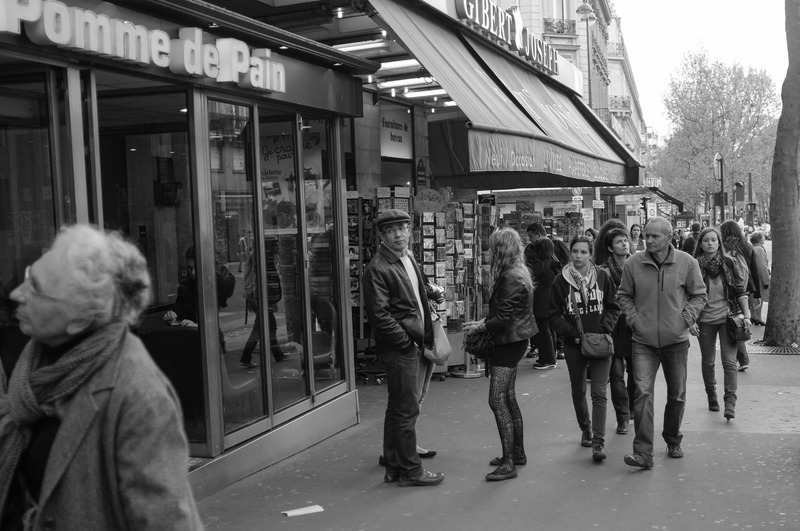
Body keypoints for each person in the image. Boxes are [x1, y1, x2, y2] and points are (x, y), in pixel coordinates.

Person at [0, 224, 202, 529]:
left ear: (78, 317)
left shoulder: (138, 394)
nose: (16, 293)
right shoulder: (38, 360)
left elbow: (166, 520)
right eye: (28, 276)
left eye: (36, 287)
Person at [617, 217, 707, 468]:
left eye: (655, 236)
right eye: (647, 235)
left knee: (677, 394)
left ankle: (672, 439)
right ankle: (643, 452)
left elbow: (699, 295)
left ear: (669, 237)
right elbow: (624, 296)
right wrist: (634, 320)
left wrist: (686, 319)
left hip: (675, 340)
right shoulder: (633, 263)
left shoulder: (687, 263)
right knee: (643, 394)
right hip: (643, 341)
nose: (649, 239)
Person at [363, 209, 444, 487]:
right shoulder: (378, 267)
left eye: (402, 228)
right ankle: (411, 471)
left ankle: (394, 462)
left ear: (410, 230)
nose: (399, 234)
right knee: (406, 409)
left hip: (416, 341)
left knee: (398, 407)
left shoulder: (407, 257)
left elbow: (416, 294)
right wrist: (407, 342)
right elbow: (379, 315)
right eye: (391, 230)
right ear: (383, 236)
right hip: (403, 347)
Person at [464, 227, 535, 481]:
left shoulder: (510, 277)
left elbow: (502, 319)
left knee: (497, 400)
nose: (490, 252)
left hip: (509, 342)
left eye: (493, 247)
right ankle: (517, 453)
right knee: (509, 398)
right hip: (516, 340)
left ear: (500, 250)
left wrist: (480, 325)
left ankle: (509, 462)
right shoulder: (520, 272)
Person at [548, 236, 619, 463]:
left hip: (600, 343)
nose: (578, 256)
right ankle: (585, 428)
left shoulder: (603, 277)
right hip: (574, 345)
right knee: (578, 390)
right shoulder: (561, 281)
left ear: (591, 255)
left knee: (599, 393)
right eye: (575, 252)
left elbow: (613, 307)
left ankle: (598, 443)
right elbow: (553, 314)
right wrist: (572, 335)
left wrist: (605, 328)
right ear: (570, 253)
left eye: (584, 252)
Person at [690, 227, 750, 420]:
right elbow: (686, 294)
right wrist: (690, 320)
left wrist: (747, 315)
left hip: (727, 319)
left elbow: (740, 290)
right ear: (701, 243)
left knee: (730, 362)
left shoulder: (729, 263)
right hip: (704, 320)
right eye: (706, 240)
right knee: (708, 362)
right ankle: (712, 395)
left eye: (713, 240)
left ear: (719, 242)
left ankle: (730, 401)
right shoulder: (693, 266)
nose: (710, 243)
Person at [598, 227, 635, 435]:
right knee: (616, 375)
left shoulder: (637, 266)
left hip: (634, 325)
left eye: (625, 240)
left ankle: (632, 410)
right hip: (612, 325)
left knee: (637, 373)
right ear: (610, 248)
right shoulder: (602, 271)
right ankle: (622, 416)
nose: (624, 244)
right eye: (619, 241)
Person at [719, 221, 762, 372]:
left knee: (733, 322)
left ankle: (742, 358)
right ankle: (743, 358)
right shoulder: (747, 246)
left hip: (729, 290)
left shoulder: (722, 246)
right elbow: (754, 271)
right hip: (746, 290)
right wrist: (757, 294)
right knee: (741, 320)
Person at [527, 238, 560, 370]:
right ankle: (551, 356)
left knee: (543, 330)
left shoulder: (539, 264)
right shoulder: (554, 263)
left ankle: (547, 359)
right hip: (552, 300)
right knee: (549, 330)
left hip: (541, 301)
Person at [749, 231, 770, 325]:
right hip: (759, 278)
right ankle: (758, 317)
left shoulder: (752, 248)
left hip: (752, 277)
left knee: (753, 297)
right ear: (760, 239)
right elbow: (762, 266)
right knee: (759, 298)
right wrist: (766, 281)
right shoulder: (760, 250)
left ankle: (753, 316)